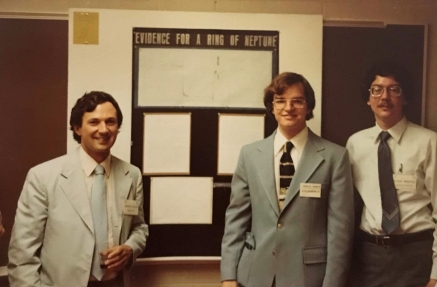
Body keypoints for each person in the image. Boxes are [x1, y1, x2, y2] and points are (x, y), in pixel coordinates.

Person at [220, 72, 354, 287]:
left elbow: (340, 232)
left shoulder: (334, 157)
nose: (288, 108)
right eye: (280, 101)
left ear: (308, 107)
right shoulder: (250, 155)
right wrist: (228, 276)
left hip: (308, 278)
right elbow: (235, 220)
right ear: (271, 107)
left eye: (297, 101)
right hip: (255, 275)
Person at [8, 91, 148, 287]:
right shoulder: (43, 176)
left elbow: (139, 227)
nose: (104, 129)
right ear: (77, 128)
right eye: (94, 122)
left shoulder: (131, 175)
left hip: (115, 283)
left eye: (110, 122)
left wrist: (130, 248)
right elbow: (22, 253)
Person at [346, 62, 437, 287]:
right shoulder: (355, 144)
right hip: (370, 256)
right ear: (368, 98)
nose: (384, 96)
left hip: (416, 254)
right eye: (376, 89)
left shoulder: (429, 142)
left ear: (405, 97)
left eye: (394, 89)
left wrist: (436, 274)